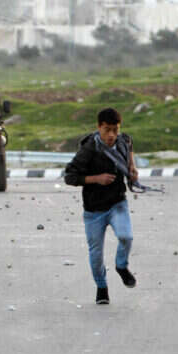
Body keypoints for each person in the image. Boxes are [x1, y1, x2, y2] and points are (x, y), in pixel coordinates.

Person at [64, 108, 138, 305]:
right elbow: (70, 176)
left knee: (126, 236)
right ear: (99, 128)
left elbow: (129, 143)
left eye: (115, 129)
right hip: (94, 210)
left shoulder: (123, 141)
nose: (111, 135)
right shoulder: (89, 149)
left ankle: (121, 266)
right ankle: (101, 287)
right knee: (96, 254)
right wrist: (96, 178)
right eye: (107, 130)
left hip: (117, 203)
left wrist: (132, 167)